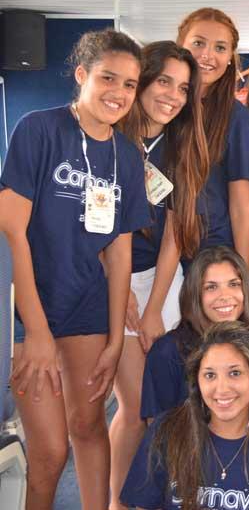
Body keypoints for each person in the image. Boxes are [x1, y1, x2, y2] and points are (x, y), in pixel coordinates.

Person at [0, 29, 150, 509]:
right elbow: (11, 232)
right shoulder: (38, 130)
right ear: (82, 75)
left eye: (129, 84)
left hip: (87, 305)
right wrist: (36, 331)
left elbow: (120, 253)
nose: (119, 92)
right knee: (49, 453)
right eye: (108, 78)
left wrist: (114, 339)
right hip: (28, 309)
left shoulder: (127, 156)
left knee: (87, 427)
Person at [110, 40, 209, 509]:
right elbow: (93, 226)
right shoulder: (109, 137)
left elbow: (175, 236)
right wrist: (121, 292)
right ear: (143, 80)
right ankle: (118, 503)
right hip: (107, 276)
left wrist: (153, 310)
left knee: (169, 407)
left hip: (162, 281)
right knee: (134, 409)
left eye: (183, 88)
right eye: (164, 81)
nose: (172, 95)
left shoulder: (181, 146)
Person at [121, 320, 249, 510]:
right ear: (196, 381)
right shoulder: (167, 431)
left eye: (235, 373)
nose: (221, 389)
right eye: (210, 375)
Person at [140, 246, 249, 419]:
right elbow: (156, 429)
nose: (224, 295)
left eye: (233, 284)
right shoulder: (167, 352)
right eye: (211, 287)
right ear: (195, 295)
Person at [177, 7, 249, 267]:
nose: (207, 55)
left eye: (220, 48)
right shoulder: (161, 105)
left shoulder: (236, 117)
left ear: (231, 58)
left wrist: (243, 273)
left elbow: (241, 205)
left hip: (211, 254)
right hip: (152, 250)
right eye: (198, 43)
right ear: (180, 46)